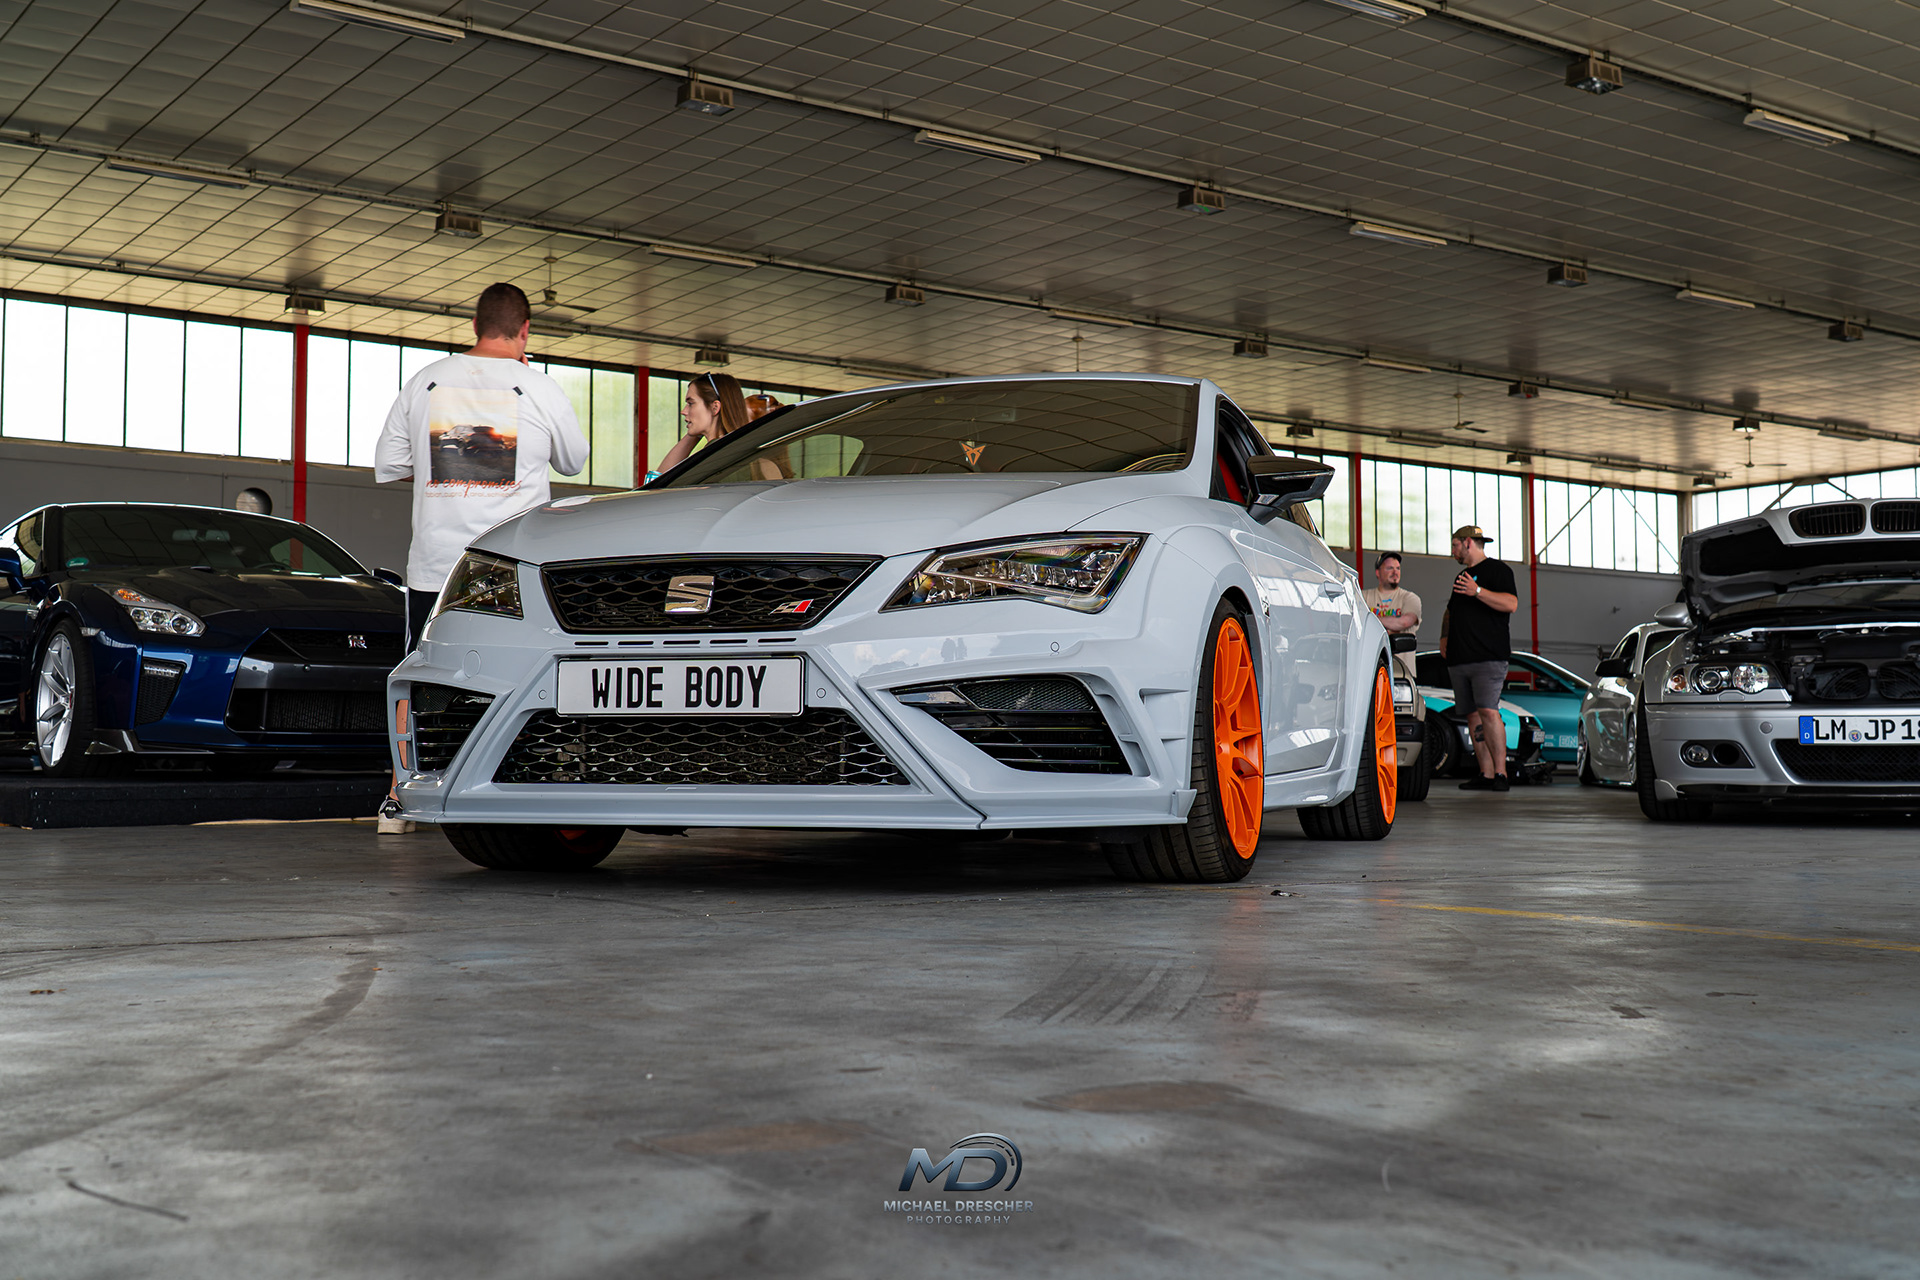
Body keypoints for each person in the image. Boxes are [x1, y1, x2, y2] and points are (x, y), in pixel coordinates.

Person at [374, 282, 590, 649]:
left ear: (475, 325)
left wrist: (444, 465)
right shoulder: (541, 388)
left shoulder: (424, 380)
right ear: (524, 329)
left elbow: (391, 462)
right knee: (510, 666)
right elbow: (573, 462)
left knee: (423, 666)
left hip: (436, 567)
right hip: (514, 567)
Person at [1441, 524, 1520, 792]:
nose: (1453, 551)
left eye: (1455, 545)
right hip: (1460, 658)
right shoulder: (1461, 577)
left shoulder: (1498, 571)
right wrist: (1444, 638)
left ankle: (1501, 774)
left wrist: (1477, 591)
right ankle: (1485, 774)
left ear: (1468, 543)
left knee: (1488, 710)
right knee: (1472, 715)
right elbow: (1450, 611)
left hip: (1488, 657)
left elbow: (1511, 604)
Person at [656, 373, 750, 473]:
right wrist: (695, 431)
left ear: (715, 407)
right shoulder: (739, 450)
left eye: (691, 403)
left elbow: (661, 478)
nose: (683, 411)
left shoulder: (713, 457)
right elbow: (662, 477)